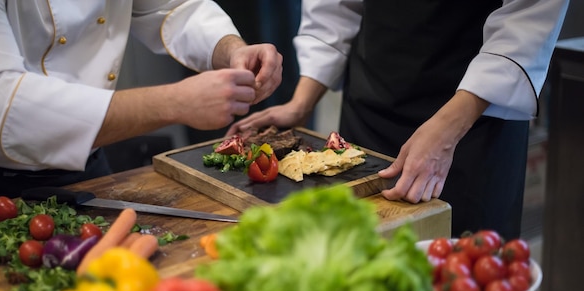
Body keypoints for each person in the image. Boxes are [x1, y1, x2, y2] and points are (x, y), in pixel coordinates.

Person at [227, 0, 570, 240]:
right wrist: (300, 103)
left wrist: (448, 129)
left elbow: (528, 18)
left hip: (476, 119)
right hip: (370, 106)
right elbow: (334, 8)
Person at [0, 0, 283, 212]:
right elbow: (8, 106)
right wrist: (174, 102)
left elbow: (174, 9)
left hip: (88, 164)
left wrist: (230, 48)